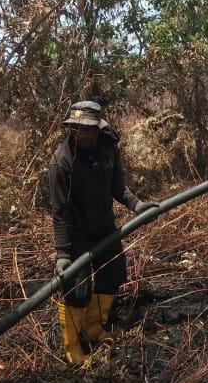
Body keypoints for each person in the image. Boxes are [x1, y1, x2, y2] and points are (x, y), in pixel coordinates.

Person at [48, 100, 157, 364]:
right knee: (77, 289)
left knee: (113, 273)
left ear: (98, 128)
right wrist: (63, 253)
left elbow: (117, 185)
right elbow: (60, 212)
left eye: (86, 129)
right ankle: (73, 348)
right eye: (75, 129)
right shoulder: (61, 162)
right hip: (77, 234)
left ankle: (94, 329)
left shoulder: (109, 148)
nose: (80, 134)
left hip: (104, 227)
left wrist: (136, 204)